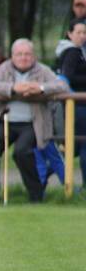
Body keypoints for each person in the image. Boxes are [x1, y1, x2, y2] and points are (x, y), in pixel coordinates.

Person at [0, 39, 69, 204]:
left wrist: (40, 88)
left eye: (27, 54)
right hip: (6, 119)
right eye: (19, 54)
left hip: (32, 122)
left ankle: (36, 194)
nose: (23, 58)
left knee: (22, 151)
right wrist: (13, 88)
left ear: (33, 56)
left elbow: (61, 85)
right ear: (12, 56)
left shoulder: (42, 70)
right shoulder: (4, 68)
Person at [57, 20, 86, 186]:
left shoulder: (76, 51)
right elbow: (67, 77)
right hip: (79, 105)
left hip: (77, 105)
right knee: (83, 145)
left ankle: (42, 175)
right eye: (79, 32)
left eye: (85, 33)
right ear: (69, 34)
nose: (82, 36)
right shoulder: (72, 52)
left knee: (72, 148)